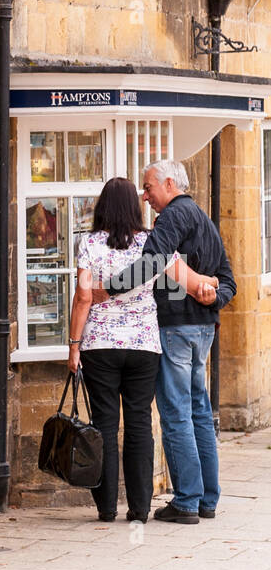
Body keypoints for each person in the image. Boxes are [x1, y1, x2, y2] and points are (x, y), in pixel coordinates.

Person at [68, 177, 215, 523]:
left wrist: (74, 347)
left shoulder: (89, 243)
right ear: (134, 208)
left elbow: (84, 297)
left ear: (102, 206)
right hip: (144, 345)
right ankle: (139, 510)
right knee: (138, 424)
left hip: (99, 345)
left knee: (104, 423)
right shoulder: (151, 242)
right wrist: (215, 286)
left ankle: (106, 508)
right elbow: (187, 281)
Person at [97, 160, 236, 524]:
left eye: (149, 188)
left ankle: (187, 501)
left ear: (169, 184)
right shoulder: (203, 219)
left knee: (176, 415)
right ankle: (207, 499)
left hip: (175, 328)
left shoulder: (174, 216)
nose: (145, 197)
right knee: (199, 412)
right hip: (202, 330)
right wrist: (214, 298)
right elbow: (228, 280)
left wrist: (108, 290)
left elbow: (151, 263)